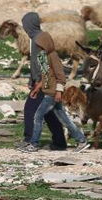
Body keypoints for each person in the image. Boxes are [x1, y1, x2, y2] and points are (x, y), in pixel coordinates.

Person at [17, 12, 90, 153]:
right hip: (48, 88)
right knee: (57, 116)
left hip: (47, 89)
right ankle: (67, 141)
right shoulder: (44, 48)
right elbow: (42, 68)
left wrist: (40, 86)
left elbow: (49, 71)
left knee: (35, 114)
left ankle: (32, 142)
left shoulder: (42, 48)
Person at [19, 13, 68, 151]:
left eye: (25, 24)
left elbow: (43, 64)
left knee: (30, 110)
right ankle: (60, 142)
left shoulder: (37, 41)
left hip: (43, 82)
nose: (24, 27)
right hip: (44, 81)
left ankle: (30, 140)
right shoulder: (40, 37)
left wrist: (38, 83)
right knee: (48, 113)